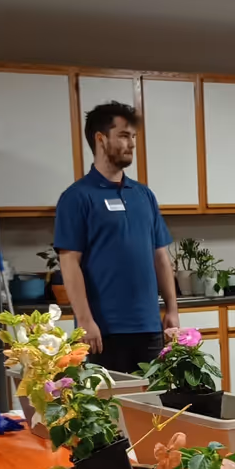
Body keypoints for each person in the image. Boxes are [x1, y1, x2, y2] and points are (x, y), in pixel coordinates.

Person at [55, 101, 179, 373]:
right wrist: (85, 320)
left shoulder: (144, 195)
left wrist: (171, 308)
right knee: (110, 410)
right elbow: (69, 262)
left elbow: (160, 256)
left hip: (148, 328)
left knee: (152, 407)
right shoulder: (77, 197)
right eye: (123, 136)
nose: (132, 143)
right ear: (101, 139)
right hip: (103, 331)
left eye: (133, 137)